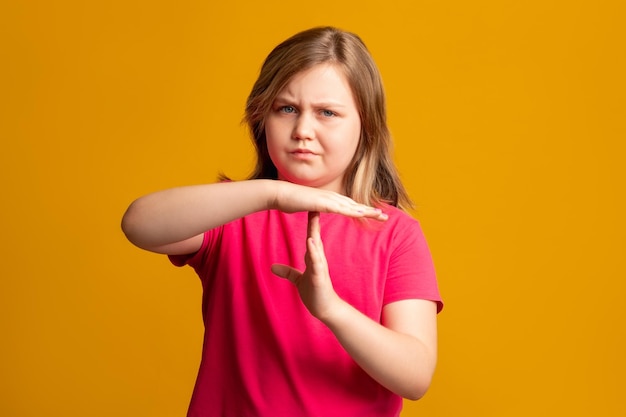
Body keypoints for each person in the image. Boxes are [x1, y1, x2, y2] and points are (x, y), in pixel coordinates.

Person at [122, 26, 443, 417]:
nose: (303, 131)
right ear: (262, 117)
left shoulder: (396, 234)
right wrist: (272, 194)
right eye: (286, 108)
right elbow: (138, 224)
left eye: (327, 113)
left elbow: (415, 375)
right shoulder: (233, 214)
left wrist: (331, 309)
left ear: (366, 127)